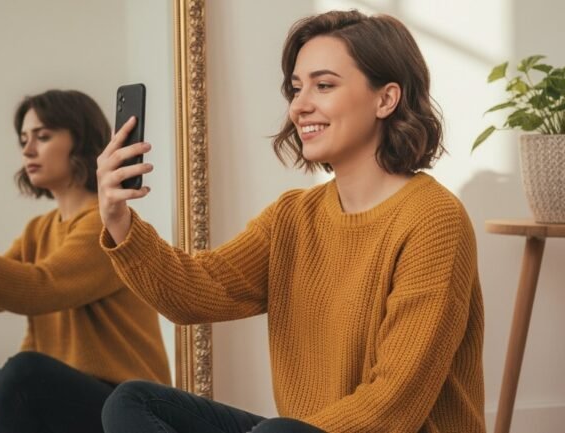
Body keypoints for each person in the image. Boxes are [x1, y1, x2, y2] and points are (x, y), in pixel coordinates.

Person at [96, 10, 485, 433]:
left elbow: (393, 403)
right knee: (135, 402)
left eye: (324, 85)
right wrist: (119, 220)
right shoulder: (293, 217)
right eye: (296, 88)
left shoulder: (433, 219)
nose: (300, 106)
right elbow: (194, 294)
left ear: (386, 99)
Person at [0, 89, 171, 433]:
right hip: (60, 393)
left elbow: (37, 289)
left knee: (23, 372)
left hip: (121, 404)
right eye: (24, 139)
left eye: (42, 137)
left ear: (81, 141)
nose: (27, 149)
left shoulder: (103, 224)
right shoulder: (39, 230)